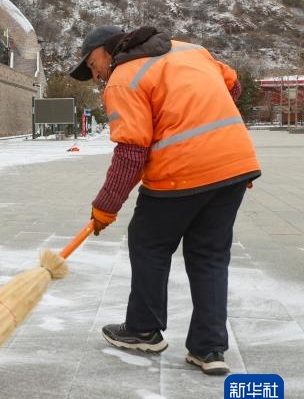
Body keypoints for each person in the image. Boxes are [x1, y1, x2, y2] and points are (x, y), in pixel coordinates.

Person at [70, 25, 260, 375]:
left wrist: (105, 207)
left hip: (180, 171)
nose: (94, 73)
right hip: (234, 164)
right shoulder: (191, 50)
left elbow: (131, 151)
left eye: (92, 63)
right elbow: (233, 85)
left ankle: (144, 329)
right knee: (210, 256)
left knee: (148, 243)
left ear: (108, 51)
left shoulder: (123, 79)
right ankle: (209, 349)